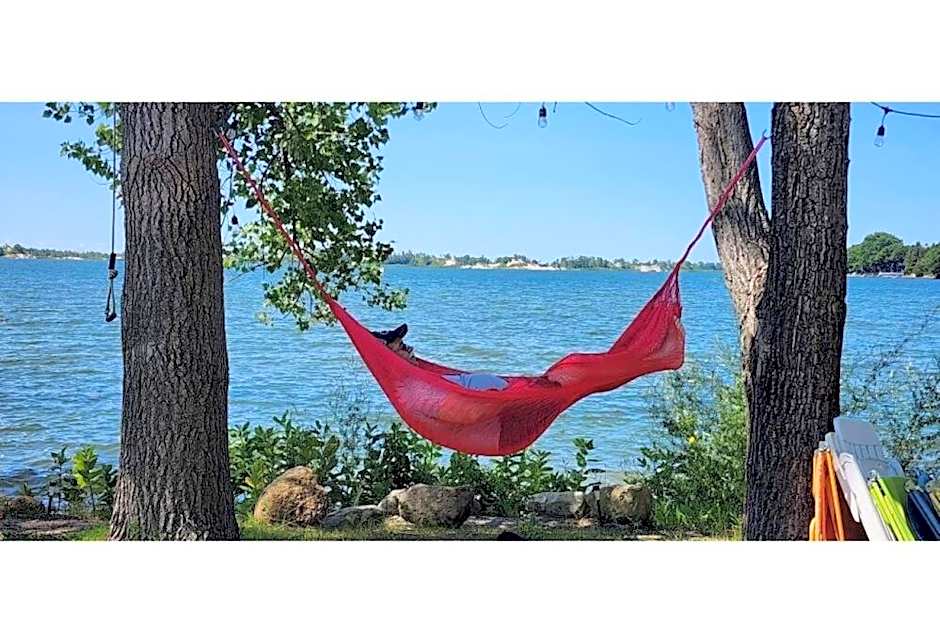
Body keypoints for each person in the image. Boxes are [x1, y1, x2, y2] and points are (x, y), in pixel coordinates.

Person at [370, 324, 509, 391]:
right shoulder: (414, 385)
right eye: (402, 346)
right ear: (390, 356)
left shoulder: (418, 379)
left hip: (499, 393)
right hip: (493, 396)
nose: (410, 348)